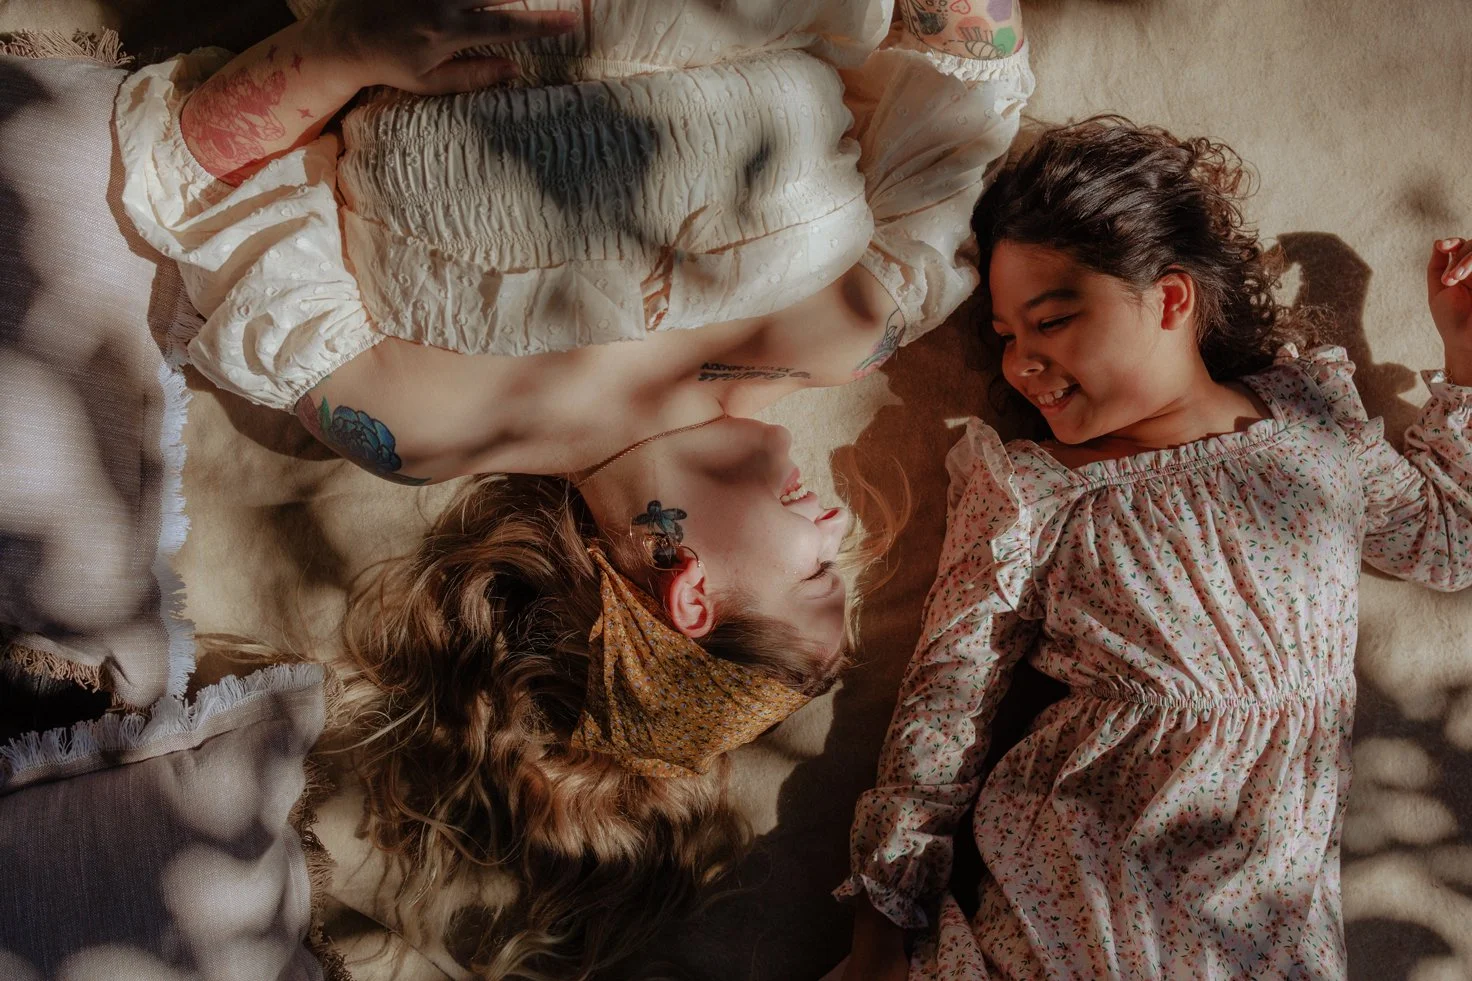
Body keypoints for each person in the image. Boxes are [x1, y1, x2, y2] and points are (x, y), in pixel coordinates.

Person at [113, 1, 1033, 975]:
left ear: (688, 595)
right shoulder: (858, 322)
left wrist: (354, 48)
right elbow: (963, 72)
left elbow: (195, 179)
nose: (833, 529)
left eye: (814, 579)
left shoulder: (416, 424)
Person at [838, 117, 1472, 979]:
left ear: (1171, 299)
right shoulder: (1032, 490)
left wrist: (1465, 366)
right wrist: (881, 926)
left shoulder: (1311, 413)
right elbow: (945, 708)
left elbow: (1447, 541)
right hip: (1079, 903)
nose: (1023, 363)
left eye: (1052, 321)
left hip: (1269, 930)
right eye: (1006, 337)